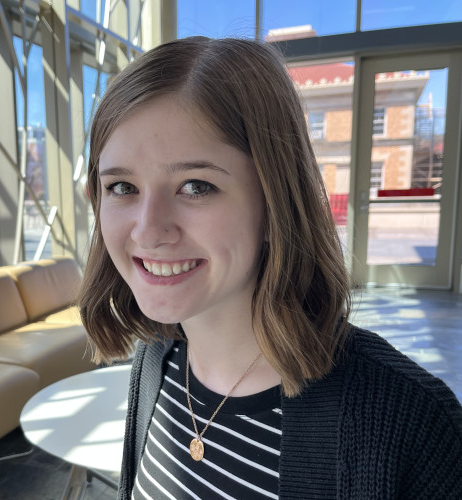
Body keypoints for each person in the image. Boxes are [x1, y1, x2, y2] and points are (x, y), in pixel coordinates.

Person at [77, 37, 462, 500]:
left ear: (275, 201)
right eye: (121, 187)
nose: (147, 229)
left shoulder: (411, 422)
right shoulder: (155, 361)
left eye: (196, 185)